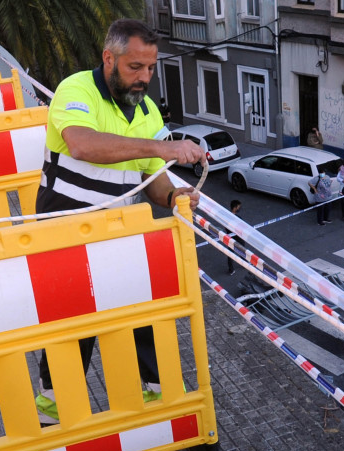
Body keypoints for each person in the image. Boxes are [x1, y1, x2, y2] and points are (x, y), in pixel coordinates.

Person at [34, 18, 205, 425]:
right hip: (67, 230)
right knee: (74, 323)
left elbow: (151, 178)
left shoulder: (143, 109)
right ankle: (53, 415)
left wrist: (173, 195)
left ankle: (155, 401)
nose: (144, 78)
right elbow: (81, 143)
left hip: (122, 233)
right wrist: (164, 147)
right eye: (135, 67)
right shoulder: (75, 89)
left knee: (141, 310)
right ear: (108, 58)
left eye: (150, 68)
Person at [226, 199, 243, 275]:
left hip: (230, 237)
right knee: (242, 250)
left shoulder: (227, 216)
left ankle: (231, 269)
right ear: (235, 207)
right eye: (238, 207)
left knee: (230, 253)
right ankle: (244, 263)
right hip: (238, 237)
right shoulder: (238, 218)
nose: (239, 208)